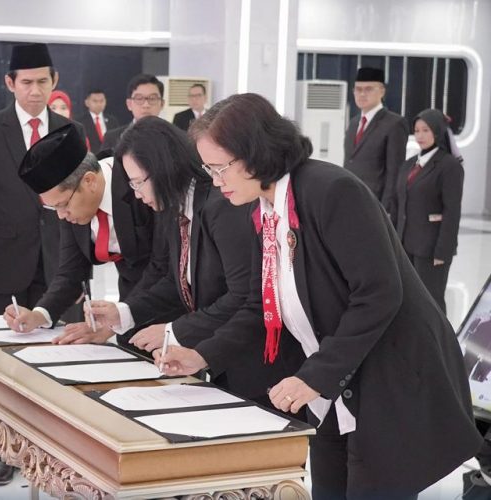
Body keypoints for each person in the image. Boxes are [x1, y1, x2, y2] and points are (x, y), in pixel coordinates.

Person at [158, 93, 481, 499]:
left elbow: (378, 294)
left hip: (387, 378)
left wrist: (315, 376)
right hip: (333, 386)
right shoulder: (263, 209)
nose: (216, 180)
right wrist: (203, 355)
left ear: (255, 155)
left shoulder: (332, 191)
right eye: (209, 170)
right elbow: (262, 305)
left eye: (220, 168)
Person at [85, 116, 300, 402]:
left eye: (138, 183)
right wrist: (125, 312)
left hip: (261, 364)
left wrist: (175, 330)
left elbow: (244, 296)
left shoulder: (222, 206)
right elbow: (176, 281)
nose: (137, 195)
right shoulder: (176, 208)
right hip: (223, 359)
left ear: (162, 168)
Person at [0, 42, 73, 486]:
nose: (35, 90)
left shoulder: (69, 129)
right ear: (10, 83)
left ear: (54, 81)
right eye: (26, 82)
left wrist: (79, 270)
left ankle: (50, 446)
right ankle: (4, 450)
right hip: (0, 262)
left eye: (43, 81)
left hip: (56, 262)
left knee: (53, 357)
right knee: (4, 362)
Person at [3, 123, 167, 352]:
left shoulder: (139, 187)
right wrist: (38, 315)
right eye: (53, 208)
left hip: (169, 316)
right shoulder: (72, 204)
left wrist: (116, 321)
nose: (61, 215)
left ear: (89, 181)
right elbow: (71, 271)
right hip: (128, 314)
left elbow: (164, 267)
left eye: (62, 205)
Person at [394, 109, 463, 313]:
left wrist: (443, 251)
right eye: (417, 130)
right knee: (409, 300)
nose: (420, 135)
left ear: (437, 131)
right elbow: (399, 204)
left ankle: (439, 334)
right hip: (405, 245)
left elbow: (452, 211)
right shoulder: (408, 164)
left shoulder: (449, 166)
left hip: (432, 248)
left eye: (426, 130)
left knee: (432, 302)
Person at [343, 67, 408, 221]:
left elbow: (395, 172)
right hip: (350, 200)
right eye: (358, 89)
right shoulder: (353, 123)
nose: (362, 94)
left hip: (375, 204)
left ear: (382, 91)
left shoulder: (394, 123)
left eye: (368, 89)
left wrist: (386, 209)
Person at [101, 74, 165, 151]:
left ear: (162, 104)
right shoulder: (113, 138)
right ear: (129, 104)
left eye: (152, 99)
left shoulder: (174, 136)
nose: (146, 105)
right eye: (139, 98)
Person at [78, 89, 119, 154]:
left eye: (101, 101)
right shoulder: (80, 122)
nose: (99, 104)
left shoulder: (112, 121)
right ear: (87, 103)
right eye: (95, 101)